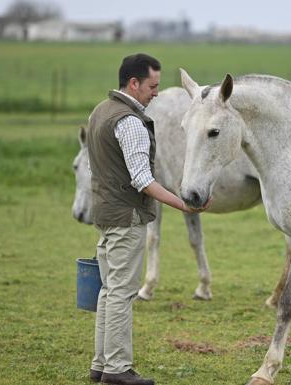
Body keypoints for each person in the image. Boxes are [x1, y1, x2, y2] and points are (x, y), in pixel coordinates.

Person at [86, 53, 209, 385]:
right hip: (127, 216)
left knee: (108, 290)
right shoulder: (130, 123)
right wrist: (183, 204)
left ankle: (101, 364)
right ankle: (118, 369)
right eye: (153, 86)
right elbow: (143, 179)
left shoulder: (100, 112)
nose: (156, 93)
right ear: (134, 83)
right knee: (123, 292)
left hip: (105, 214)